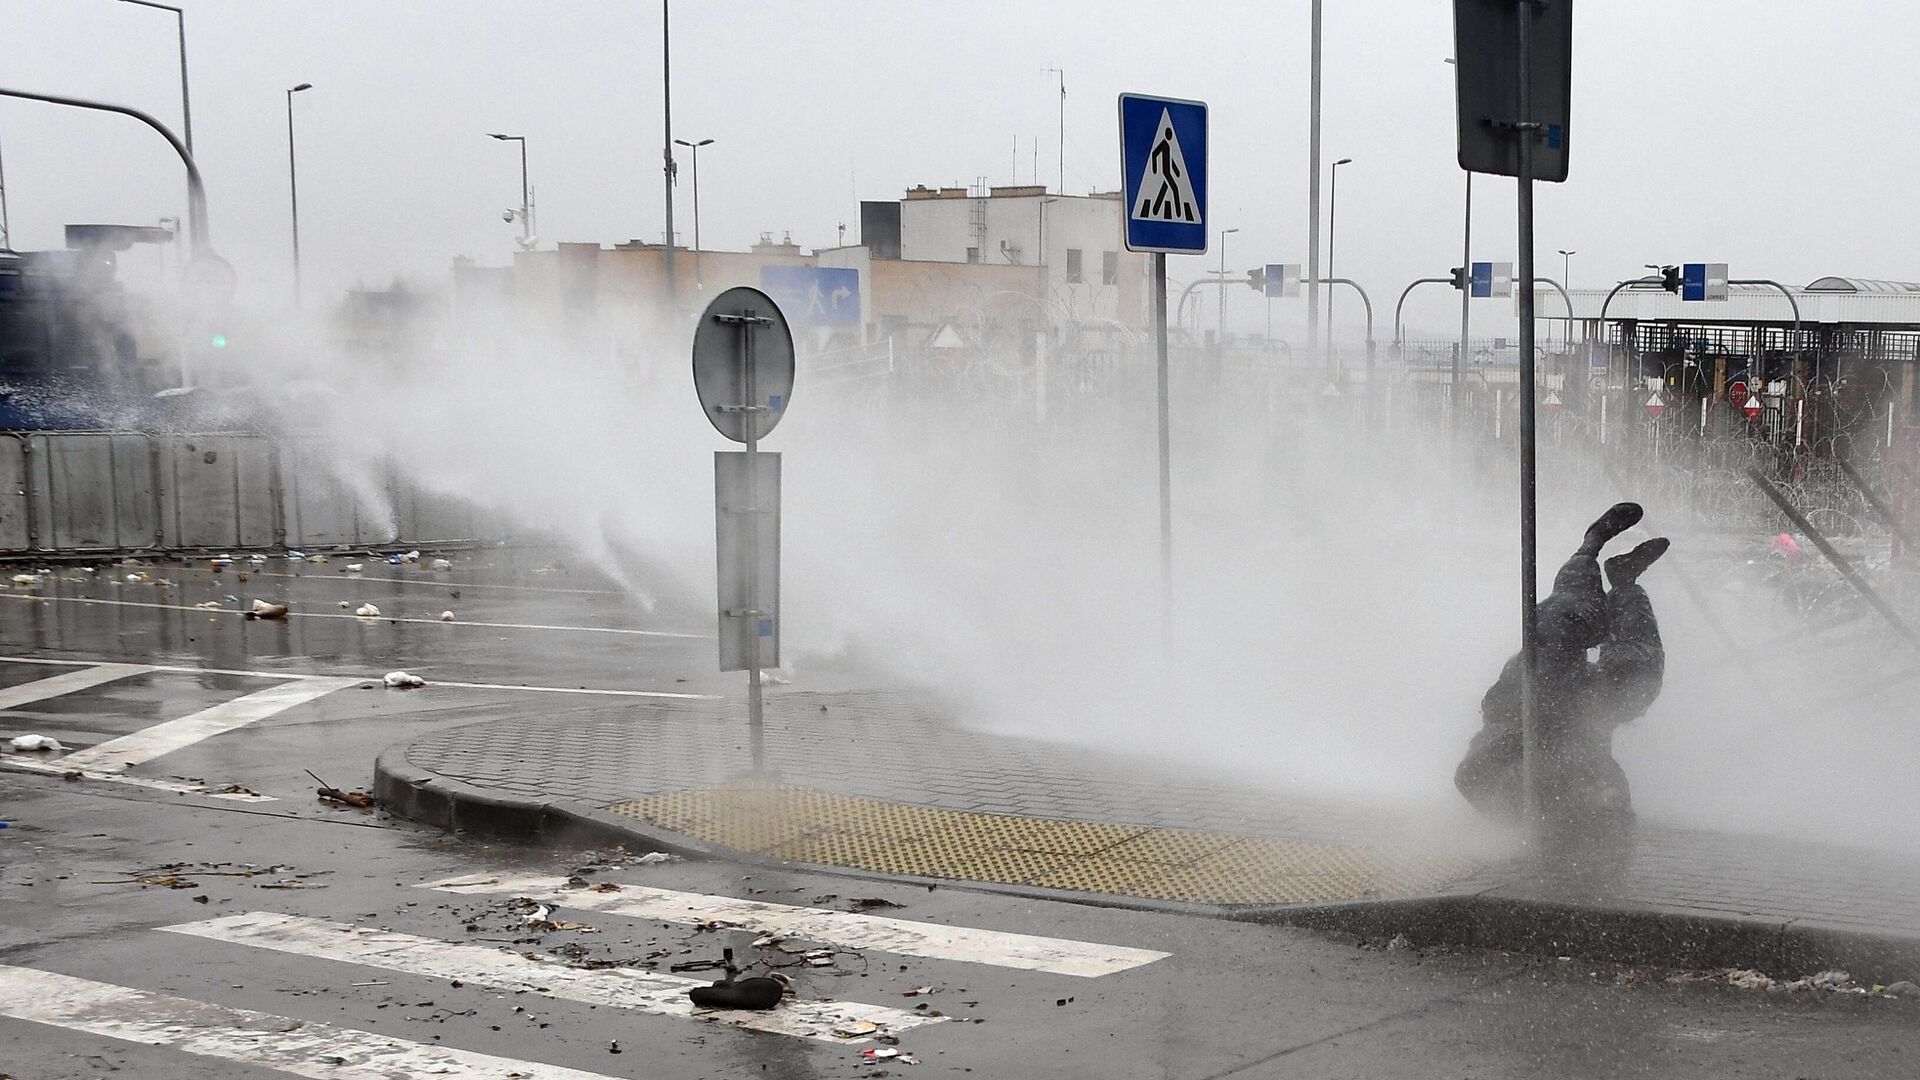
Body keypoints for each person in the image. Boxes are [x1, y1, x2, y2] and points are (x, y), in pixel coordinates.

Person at [1455, 502, 1669, 837]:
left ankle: (1589, 549)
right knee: (1637, 680)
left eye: (1603, 798)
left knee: (1564, 622)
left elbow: (1470, 778)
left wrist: (1527, 753)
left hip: (1528, 697)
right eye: (1617, 799)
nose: (1610, 791)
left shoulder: (1520, 793)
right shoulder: (1596, 781)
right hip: (1580, 711)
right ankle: (1624, 582)